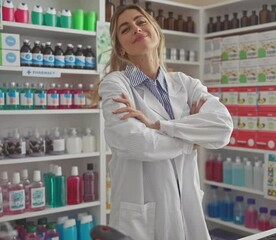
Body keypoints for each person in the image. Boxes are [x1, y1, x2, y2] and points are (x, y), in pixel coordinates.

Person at [98, 4, 233, 240]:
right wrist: (190, 140)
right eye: (125, 29)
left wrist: (160, 126)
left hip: (185, 206)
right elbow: (136, 143)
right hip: (141, 217)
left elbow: (222, 128)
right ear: (121, 47)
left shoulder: (185, 83)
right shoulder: (115, 84)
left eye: (141, 22)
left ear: (156, 31)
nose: (136, 29)